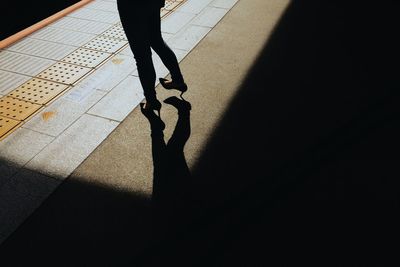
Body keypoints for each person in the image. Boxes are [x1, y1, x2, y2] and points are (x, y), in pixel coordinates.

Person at [117, 0, 188, 114]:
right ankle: (178, 80)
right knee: (157, 41)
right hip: (152, 3)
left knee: (142, 55)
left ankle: (151, 100)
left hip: (130, 7)